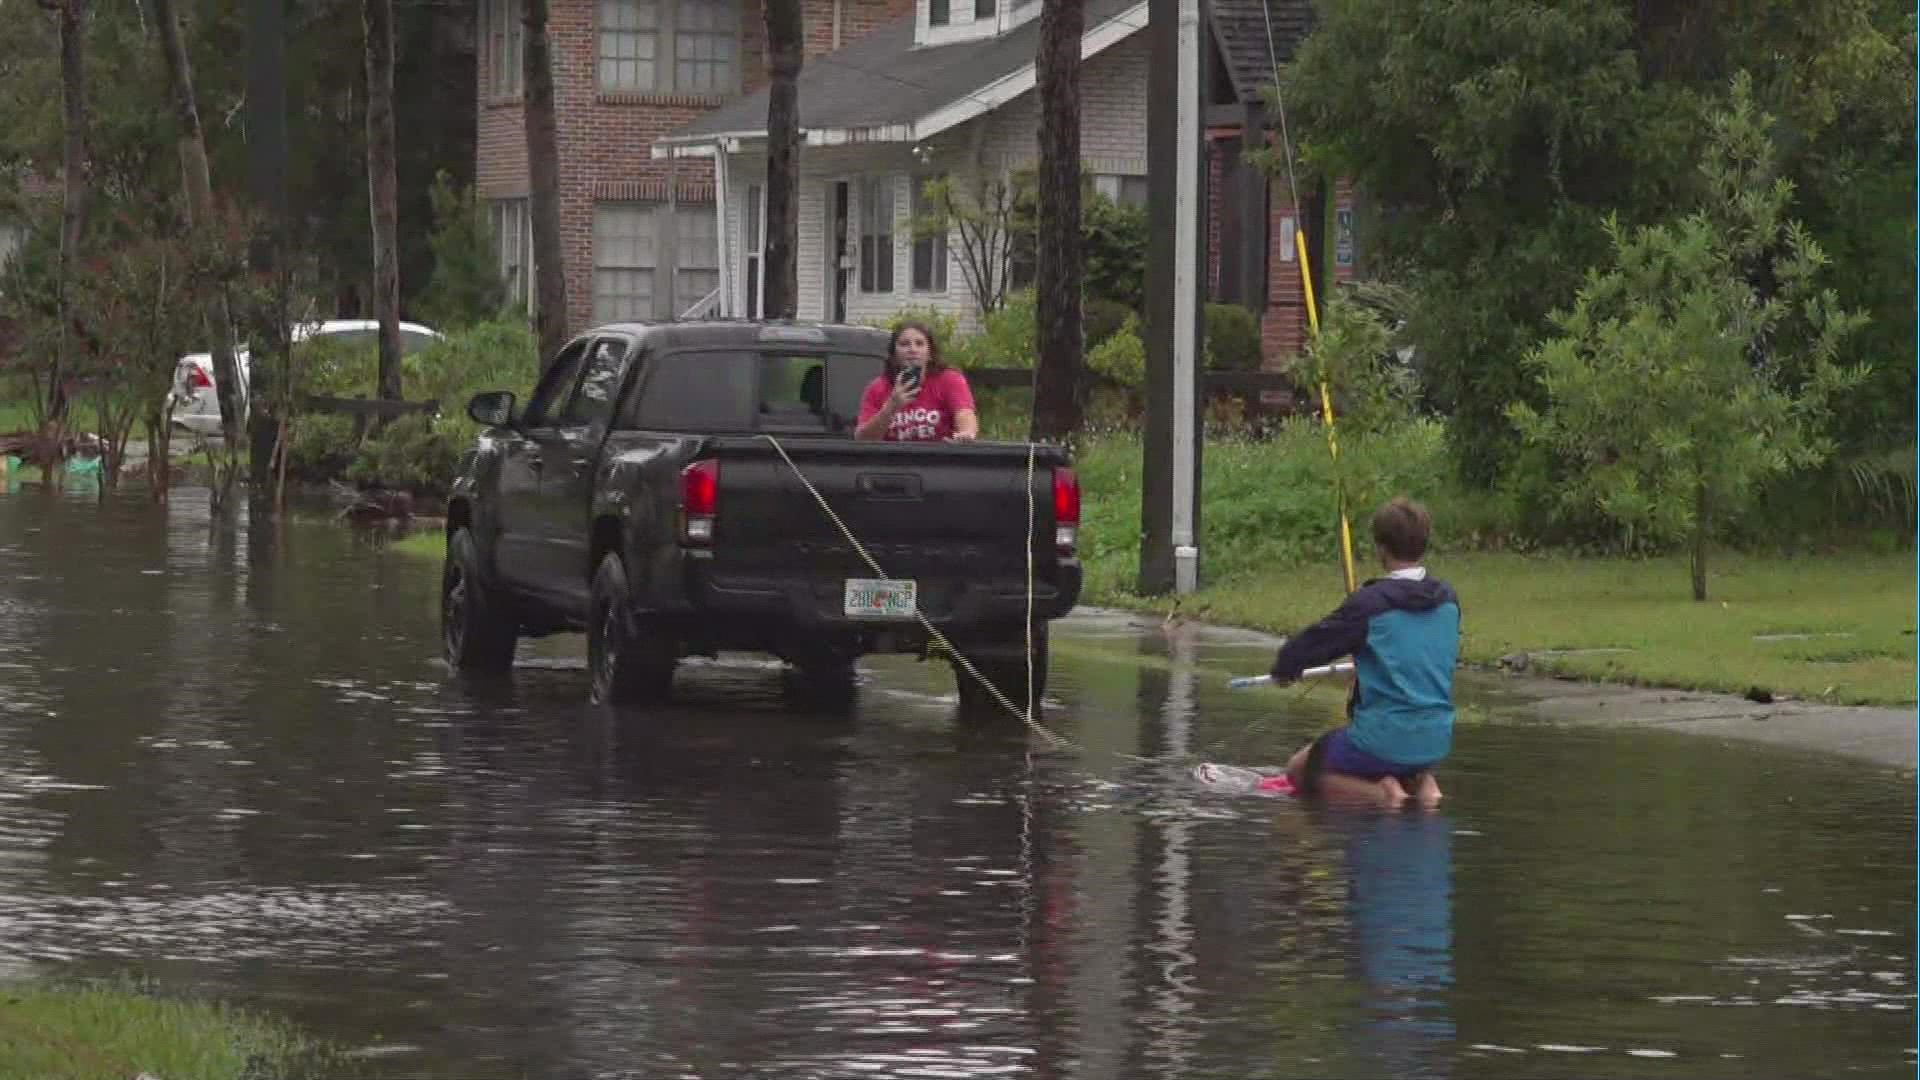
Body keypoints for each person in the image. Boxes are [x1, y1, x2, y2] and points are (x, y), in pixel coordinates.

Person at [1272, 497, 1460, 809]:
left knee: (1298, 771)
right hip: (1436, 738)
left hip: (1382, 739)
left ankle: (1384, 795)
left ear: (1381, 549)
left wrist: (1285, 668)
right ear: (1424, 544)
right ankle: (1425, 790)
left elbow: (1316, 642)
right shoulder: (1448, 601)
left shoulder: (1369, 605)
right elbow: (1417, 654)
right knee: (1407, 761)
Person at [855, 321, 979, 442]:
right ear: (894, 354)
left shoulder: (949, 380)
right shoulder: (878, 388)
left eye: (919, 344)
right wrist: (891, 406)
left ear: (930, 353)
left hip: (940, 459)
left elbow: (964, 413)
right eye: (904, 344)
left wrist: (966, 433)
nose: (912, 349)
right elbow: (863, 439)